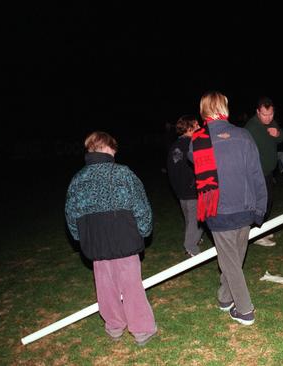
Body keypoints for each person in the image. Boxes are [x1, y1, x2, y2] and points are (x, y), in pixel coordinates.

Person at [65, 131, 157, 345]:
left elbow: (71, 213)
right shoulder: (124, 174)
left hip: (96, 242)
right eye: (114, 150)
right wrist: (144, 230)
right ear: (107, 148)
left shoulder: (78, 179)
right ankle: (142, 329)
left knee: (105, 284)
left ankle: (114, 326)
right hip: (125, 239)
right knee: (131, 284)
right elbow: (141, 206)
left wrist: (81, 237)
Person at [190, 91, 267, 325]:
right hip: (245, 208)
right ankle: (225, 298)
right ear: (225, 108)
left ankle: (245, 310)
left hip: (219, 209)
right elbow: (257, 175)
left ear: (204, 111)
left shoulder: (198, 140)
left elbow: (191, 158)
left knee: (231, 261)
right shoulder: (243, 135)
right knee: (233, 259)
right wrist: (260, 208)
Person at [245, 96, 283, 247]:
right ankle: (255, 234)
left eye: (271, 114)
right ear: (257, 112)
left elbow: (281, 138)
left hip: (268, 172)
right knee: (262, 204)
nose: (268, 118)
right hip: (257, 173)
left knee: (267, 202)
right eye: (264, 114)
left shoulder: (271, 123)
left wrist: (278, 134)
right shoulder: (251, 128)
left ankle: (260, 229)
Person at [167, 115, 204, 257]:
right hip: (192, 189)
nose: (199, 127)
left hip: (181, 191)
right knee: (200, 218)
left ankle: (195, 239)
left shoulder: (175, 145)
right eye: (196, 125)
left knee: (190, 220)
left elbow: (173, 169)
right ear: (189, 128)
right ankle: (191, 247)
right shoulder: (191, 144)